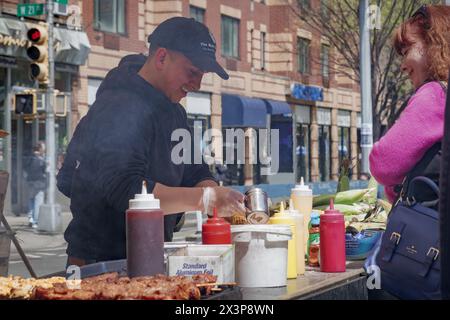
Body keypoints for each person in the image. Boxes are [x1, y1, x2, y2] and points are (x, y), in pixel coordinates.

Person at [57, 17, 246, 266]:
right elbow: (126, 188)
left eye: (202, 75)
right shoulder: (120, 104)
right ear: (161, 57)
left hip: (152, 251)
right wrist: (206, 198)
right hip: (100, 260)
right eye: (192, 72)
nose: (197, 84)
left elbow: (194, 169)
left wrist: (221, 199)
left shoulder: (175, 111)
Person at [369, 5, 450, 204]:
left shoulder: (435, 95)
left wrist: (395, 186)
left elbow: (383, 164)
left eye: (407, 51)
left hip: (431, 229)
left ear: (434, 43)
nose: (403, 65)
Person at [26, 142, 46, 229]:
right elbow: (45, 171)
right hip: (39, 183)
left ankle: (30, 217)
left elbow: (25, 169)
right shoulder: (41, 159)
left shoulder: (29, 158)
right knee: (38, 201)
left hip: (30, 182)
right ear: (40, 149)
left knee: (31, 199)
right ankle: (35, 221)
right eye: (43, 148)